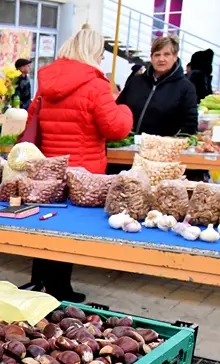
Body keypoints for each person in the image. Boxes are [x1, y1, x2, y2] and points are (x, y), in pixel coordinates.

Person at [24, 25, 134, 302]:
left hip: (50, 167)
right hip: (85, 172)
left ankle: (40, 282)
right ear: (93, 52)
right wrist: (125, 108)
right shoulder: (96, 85)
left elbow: (32, 120)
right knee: (69, 230)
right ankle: (61, 290)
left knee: (46, 225)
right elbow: (116, 128)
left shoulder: (46, 83)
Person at [116, 35, 197, 136]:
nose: (161, 59)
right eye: (157, 55)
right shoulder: (136, 81)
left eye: (166, 54)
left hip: (163, 149)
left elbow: (190, 125)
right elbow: (118, 108)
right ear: (151, 57)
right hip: (128, 145)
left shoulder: (186, 88)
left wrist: (171, 143)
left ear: (175, 57)